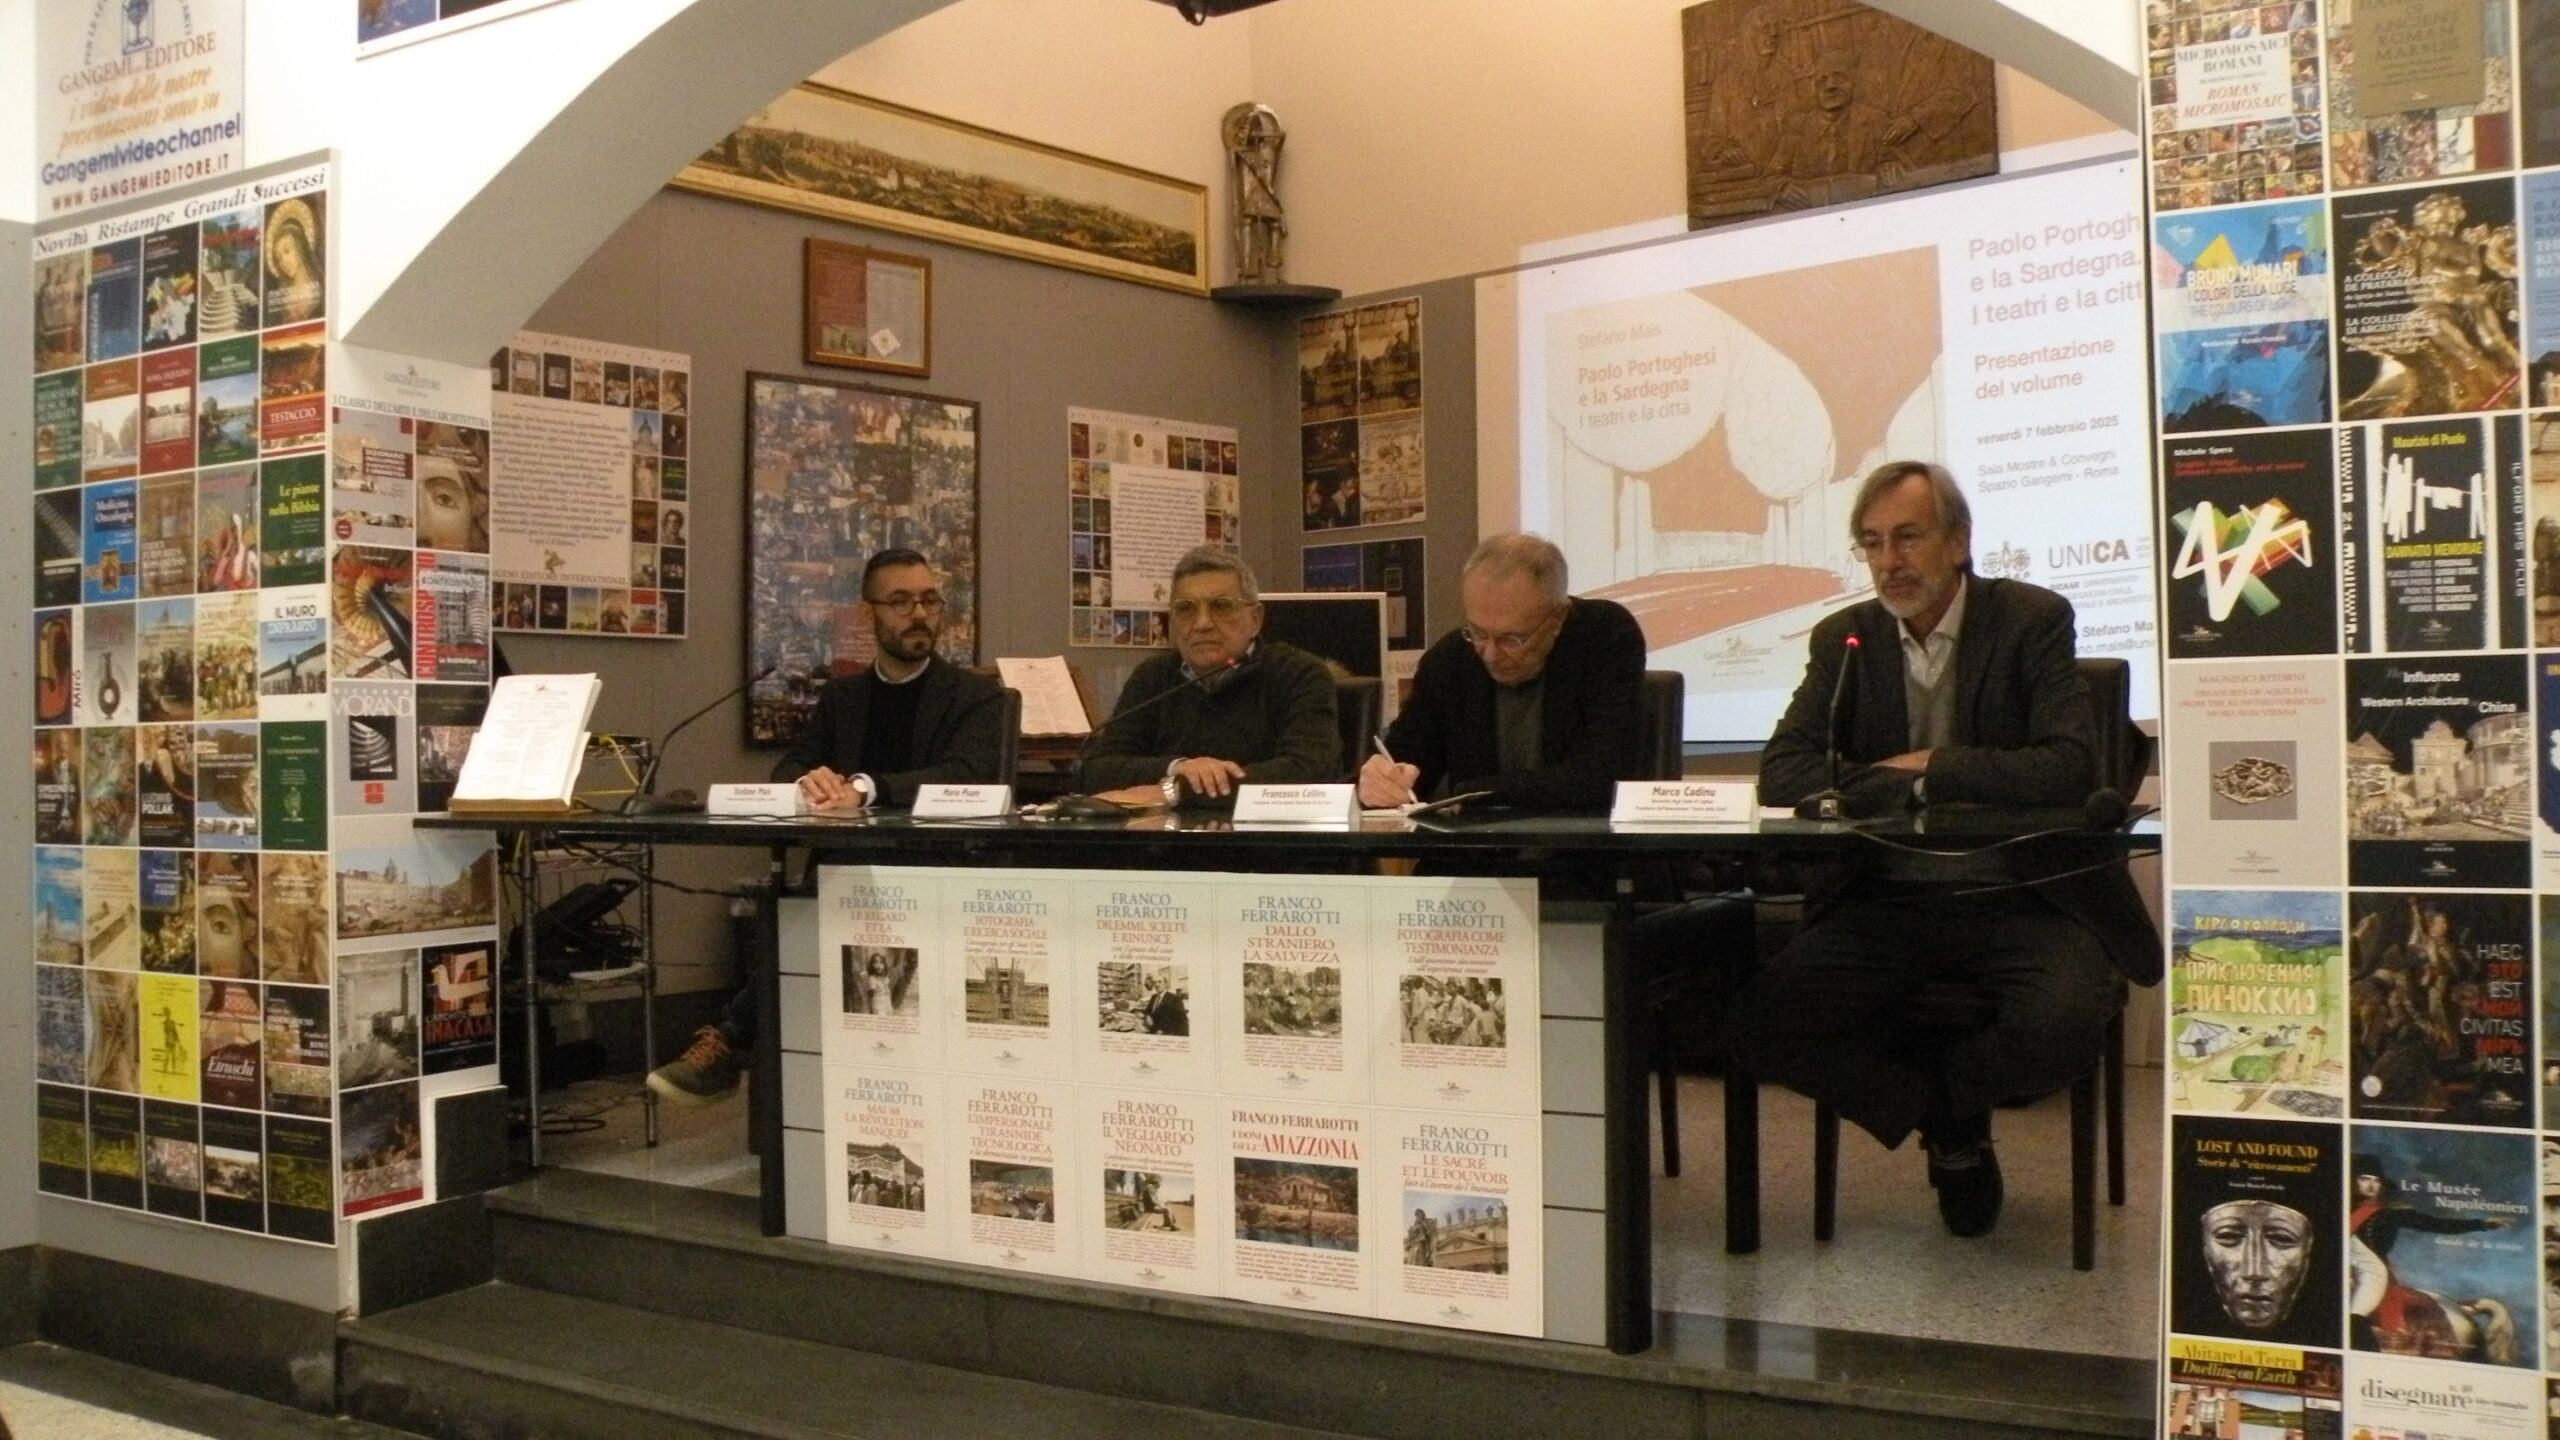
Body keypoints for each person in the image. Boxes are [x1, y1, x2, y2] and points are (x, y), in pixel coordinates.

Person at [1719, 460, 2158, 1238]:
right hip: (1887, 899)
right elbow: (1783, 772)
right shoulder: (1844, 639)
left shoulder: (2030, 619)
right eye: (1872, 543)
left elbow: (2067, 766)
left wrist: (1928, 767)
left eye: (1908, 538)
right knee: (1760, 1022)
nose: (1889, 561)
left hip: (2020, 895)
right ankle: (1946, 1122)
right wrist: (1903, 786)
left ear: (1958, 543)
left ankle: (1953, 1107)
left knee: (2063, 1024)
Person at [649, 548, 1008, 1106]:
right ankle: (739, 1050)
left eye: (929, 600)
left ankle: (730, 1041)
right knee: (804, 907)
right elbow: (789, 769)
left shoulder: (976, 694)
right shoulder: (844, 696)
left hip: (938, 869)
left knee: (817, 913)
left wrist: (865, 787)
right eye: (901, 601)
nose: (919, 614)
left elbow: (969, 774)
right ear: (868, 614)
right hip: (848, 872)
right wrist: (810, 784)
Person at [1361, 533, 1647, 810]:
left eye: (1512, 639)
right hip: (1477, 841)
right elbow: (1408, 763)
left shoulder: (1604, 636)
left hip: (1583, 839)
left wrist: (1481, 793)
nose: (1490, 653)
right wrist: (1379, 782)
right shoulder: (1449, 660)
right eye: (1478, 632)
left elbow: (1604, 773)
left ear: (1558, 618)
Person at [1081, 546, 1338, 806]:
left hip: (1264, 830)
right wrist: (1177, 768)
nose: (1202, 623)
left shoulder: (1298, 674)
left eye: (1221, 606)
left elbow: (1308, 772)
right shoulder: (1154, 676)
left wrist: (1174, 792)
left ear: (1255, 619)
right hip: (1162, 832)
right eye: (1186, 609)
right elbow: (1096, 771)